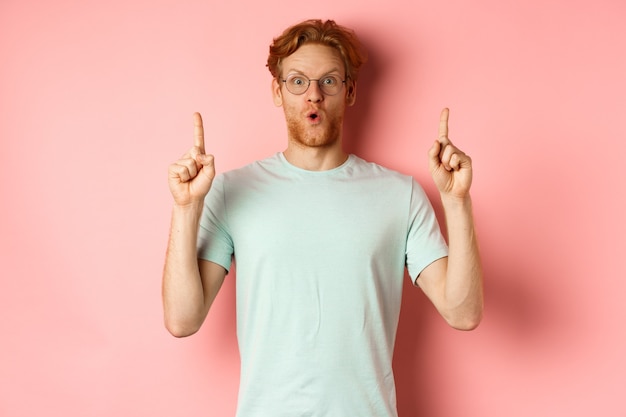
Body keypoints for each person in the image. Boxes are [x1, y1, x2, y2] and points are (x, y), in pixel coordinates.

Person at [162, 19, 483, 417]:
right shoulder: (231, 191)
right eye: (298, 81)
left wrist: (456, 201)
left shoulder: (400, 195)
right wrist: (186, 207)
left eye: (328, 81)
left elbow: (463, 312)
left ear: (349, 91)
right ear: (277, 91)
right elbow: (182, 319)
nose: (313, 95)